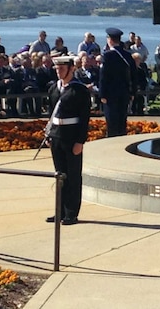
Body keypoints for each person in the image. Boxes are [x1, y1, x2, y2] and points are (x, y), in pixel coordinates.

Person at [44, 55, 92, 226]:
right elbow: (51, 114)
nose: (59, 72)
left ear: (72, 68)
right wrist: (49, 135)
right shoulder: (53, 89)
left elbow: (84, 117)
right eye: (57, 69)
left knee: (73, 176)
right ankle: (60, 211)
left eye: (62, 69)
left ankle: (71, 212)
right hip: (56, 135)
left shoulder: (79, 90)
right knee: (60, 176)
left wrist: (80, 141)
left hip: (72, 137)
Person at [99, 27, 135, 137]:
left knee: (112, 124)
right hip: (124, 93)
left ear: (110, 39)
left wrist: (102, 94)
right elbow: (133, 75)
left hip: (110, 94)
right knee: (122, 123)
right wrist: (132, 92)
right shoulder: (127, 55)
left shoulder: (107, 55)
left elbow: (103, 76)